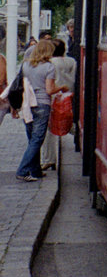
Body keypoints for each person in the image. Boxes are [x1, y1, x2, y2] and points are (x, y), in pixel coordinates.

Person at [15, 38, 57, 182]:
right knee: (37, 139)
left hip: (27, 104)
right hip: (42, 104)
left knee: (32, 139)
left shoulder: (25, 65)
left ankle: (35, 170)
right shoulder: (49, 67)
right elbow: (50, 89)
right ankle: (22, 170)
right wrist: (62, 87)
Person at [41, 38, 75, 171]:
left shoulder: (50, 63)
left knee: (50, 128)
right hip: (69, 95)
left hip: (55, 96)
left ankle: (49, 159)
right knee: (69, 121)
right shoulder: (72, 61)